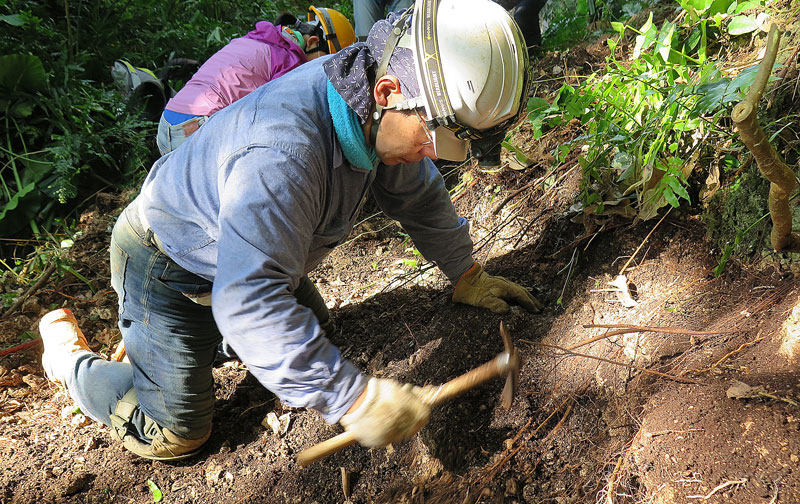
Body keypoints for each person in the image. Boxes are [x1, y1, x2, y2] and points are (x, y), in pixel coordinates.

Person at [39, 0, 541, 461]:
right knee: (178, 431)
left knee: (309, 336)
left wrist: (465, 272)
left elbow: (417, 195)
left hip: (232, 249)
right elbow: (249, 300)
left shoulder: (369, 100)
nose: (433, 153)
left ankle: (173, 343)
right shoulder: (282, 155)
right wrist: (356, 399)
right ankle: (72, 362)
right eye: (434, 139)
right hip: (167, 263)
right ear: (389, 92)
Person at [156, 6, 355, 155]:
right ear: (312, 42)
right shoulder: (289, 60)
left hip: (167, 125)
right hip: (199, 130)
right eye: (324, 61)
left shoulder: (257, 39)